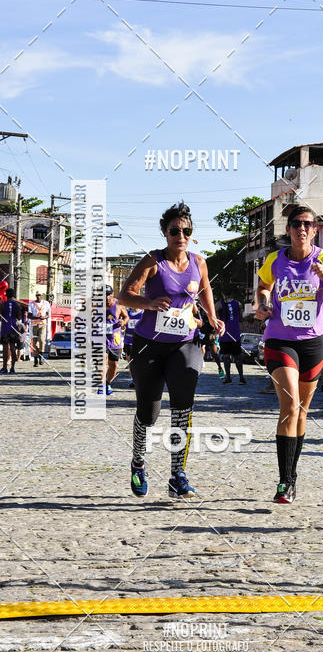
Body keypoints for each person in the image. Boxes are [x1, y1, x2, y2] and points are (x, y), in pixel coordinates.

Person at [118, 201, 224, 498]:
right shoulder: (153, 261)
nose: (181, 236)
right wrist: (149, 304)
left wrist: (212, 317)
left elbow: (205, 290)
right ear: (165, 232)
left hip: (185, 343)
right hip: (149, 345)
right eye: (175, 230)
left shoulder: (199, 262)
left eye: (186, 231)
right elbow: (125, 295)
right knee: (148, 413)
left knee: (182, 410)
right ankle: (138, 463)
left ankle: (178, 475)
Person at [255, 204, 323, 504]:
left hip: (313, 343)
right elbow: (263, 286)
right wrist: (263, 303)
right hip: (280, 340)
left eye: (308, 224)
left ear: (315, 230)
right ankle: (284, 482)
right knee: (290, 407)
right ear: (288, 229)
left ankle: (292, 477)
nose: (302, 228)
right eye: (296, 223)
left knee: (301, 411)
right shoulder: (275, 259)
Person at [101, 286, 129, 396]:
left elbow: (126, 317)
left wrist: (123, 322)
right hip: (101, 338)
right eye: (104, 295)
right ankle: (101, 385)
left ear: (112, 294)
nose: (106, 297)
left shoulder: (119, 305)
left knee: (113, 365)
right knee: (103, 361)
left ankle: (107, 383)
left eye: (108, 294)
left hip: (114, 339)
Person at [219, 289, 246, 385]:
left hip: (224, 334)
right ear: (232, 293)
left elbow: (213, 316)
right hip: (235, 334)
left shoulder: (219, 304)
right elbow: (241, 319)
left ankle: (228, 378)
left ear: (222, 293)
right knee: (238, 357)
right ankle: (241, 378)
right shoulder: (238, 304)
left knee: (226, 357)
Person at [0, 288, 26, 374]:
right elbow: (19, 317)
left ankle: (4, 367)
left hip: (5, 328)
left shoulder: (3, 304)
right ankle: (12, 368)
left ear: (6, 295)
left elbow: (0, 317)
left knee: (5, 348)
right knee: (12, 347)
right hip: (13, 328)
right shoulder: (17, 305)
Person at [28, 291, 51, 366]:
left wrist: (44, 317)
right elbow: (29, 315)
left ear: (42, 296)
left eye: (40, 295)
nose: (38, 297)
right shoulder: (31, 304)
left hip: (43, 325)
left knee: (41, 340)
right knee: (35, 343)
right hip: (34, 325)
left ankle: (41, 357)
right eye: (37, 295)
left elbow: (48, 314)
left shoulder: (46, 303)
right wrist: (37, 318)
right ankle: (35, 359)